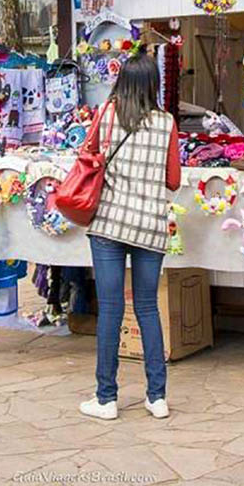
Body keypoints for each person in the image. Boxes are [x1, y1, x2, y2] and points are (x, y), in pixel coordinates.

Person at [79, 53, 181, 421]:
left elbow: (87, 155)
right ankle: (157, 397)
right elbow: (173, 180)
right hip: (150, 226)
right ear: (155, 85)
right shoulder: (167, 123)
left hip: (108, 225)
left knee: (110, 309)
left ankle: (106, 398)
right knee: (148, 307)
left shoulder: (106, 115)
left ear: (122, 81)